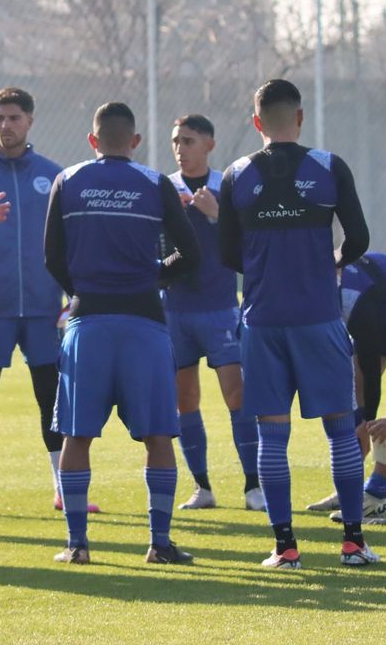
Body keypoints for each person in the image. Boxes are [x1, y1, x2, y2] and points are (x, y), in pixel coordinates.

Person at [218, 79, 377, 569]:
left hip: (263, 322)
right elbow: (360, 239)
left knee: (272, 436)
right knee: (340, 431)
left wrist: (268, 267)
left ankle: (285, 548)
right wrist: (326, 260)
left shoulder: (237, 173)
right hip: (320, 319)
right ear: (300, 118)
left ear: (257, 122)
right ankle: (353, 543)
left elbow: (227, 253)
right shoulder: (329, 166)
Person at [45, 102, 200, 565]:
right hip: (144, 326)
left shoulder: (67, 181)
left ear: (93, 141)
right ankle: (160, 543)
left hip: (88, 324)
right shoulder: (154, 183)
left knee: (77, 435)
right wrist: (151, 279)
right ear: (134, 142)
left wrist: (81, 289)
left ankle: (77, 544)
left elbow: (51, 256)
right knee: (158, 436)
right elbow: (188, 253)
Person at [0, 87, 100, 517]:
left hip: (45, 311)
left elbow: (73, 242)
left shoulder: (55, 175)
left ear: (29, 121)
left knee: (51, 400)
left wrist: (72, 298)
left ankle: (64, 489)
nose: (6, 126)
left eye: (14, 118)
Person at [163, 114, 262, 512]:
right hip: (176, 311)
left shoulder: (227, 186)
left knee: (236, 395)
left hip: (220, 308)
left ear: (209, 145)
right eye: (176, 141)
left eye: (188, 141)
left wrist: (216, 214)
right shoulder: (163, 188)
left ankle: (253, 486)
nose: (180, 149)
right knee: (184, 398)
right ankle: (202, 487)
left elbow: (253, 242)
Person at [307, 251, 386, 517]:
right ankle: (352, 487)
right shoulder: (318, 286)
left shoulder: (354, 295)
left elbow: (368, 361)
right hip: (382, 317)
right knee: (352, 383)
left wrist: (366, 420)